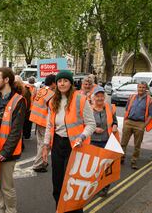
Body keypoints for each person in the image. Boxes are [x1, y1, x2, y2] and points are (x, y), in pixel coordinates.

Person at [42, 70, 96, 213]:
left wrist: (82, 137)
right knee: (58, 183)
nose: (62, 83)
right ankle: (60, 209)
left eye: (65, 80)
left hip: (75, 146)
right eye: (59, 81)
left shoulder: (81, 99)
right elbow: (49, 125)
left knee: (72, 184)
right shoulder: (53, 100)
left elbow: (91, 124)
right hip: (57, 145)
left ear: (70, 83)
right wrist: (46, 145)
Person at [0, 67, 26, 213]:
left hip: (7, 152)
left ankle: (11, 210)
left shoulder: (19, 101)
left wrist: (5, 152)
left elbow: (16, 132)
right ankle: (0, 207)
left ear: (6, 80)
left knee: (7, 187)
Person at [90, 86, 118, 197]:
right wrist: (94, 129)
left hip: (107, 141)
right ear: (93, 98)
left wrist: (115, 126)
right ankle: (94, 186)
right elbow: (83, 124)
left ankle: (105, 187)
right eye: (97, 96)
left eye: (102, 96)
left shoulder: (110, 108)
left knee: (106, 166)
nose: (100, 98)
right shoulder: (88, 109)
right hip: (92, 141)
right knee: (94, 167)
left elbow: (114, 121)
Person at [120, 82, 152, 169]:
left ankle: (134, 161)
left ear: (146, 89)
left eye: (143, 87)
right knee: (123, 143)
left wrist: (144, 125)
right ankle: (121, 158)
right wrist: (125, 121)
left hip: (140, 124)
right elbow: (127, 109)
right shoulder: (131, 97)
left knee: (137, 145)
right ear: (137, 88)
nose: (141, 89)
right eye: (139, 87)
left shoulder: (150, 100)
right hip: (129, 122)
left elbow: (151, 114)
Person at [30, 74, 56, 173]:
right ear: (53, 83)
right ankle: (38, 165)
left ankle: (42, 162)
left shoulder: (42, 90)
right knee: (45, 144)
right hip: (44, 121)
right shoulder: (51, 94)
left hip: (37, 119)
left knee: (40, 143)